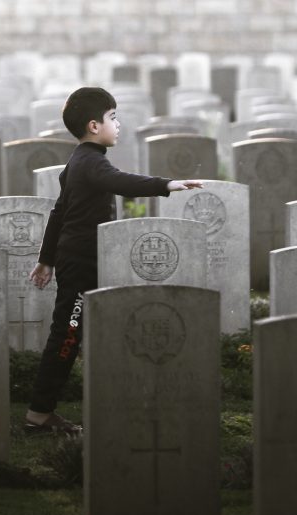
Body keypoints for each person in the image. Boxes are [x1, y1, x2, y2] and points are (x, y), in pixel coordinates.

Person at [25, 86, 203, 435]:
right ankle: (38, 414)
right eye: (113, 117)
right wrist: (166, 184)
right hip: (82, 264)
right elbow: (121, 182)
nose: (118, 124)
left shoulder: (78, 161)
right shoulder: (92, 163)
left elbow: (59, 213)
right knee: (68, 334)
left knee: (84, 333)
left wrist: (46, 260)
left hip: (83, 259)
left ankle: (65, 407)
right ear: (94, 126)